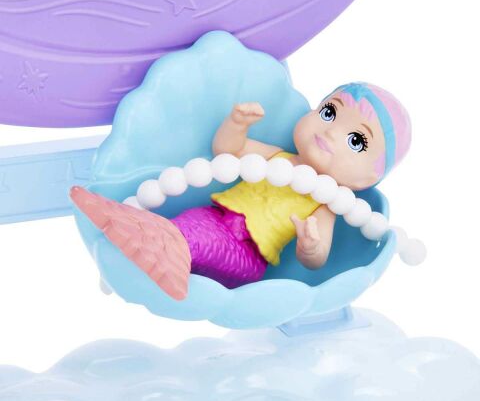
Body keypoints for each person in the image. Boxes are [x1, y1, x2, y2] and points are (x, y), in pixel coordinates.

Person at [71, 82, 411, 300]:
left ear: (368, 178)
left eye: (356, 141)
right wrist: (237, 125)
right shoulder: (279, 158)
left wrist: (310, 245)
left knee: (192, 238)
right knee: (188, 226)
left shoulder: (326, 201)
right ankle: (138, 241)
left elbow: (316, 259)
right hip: (214, 218)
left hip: (247, 256)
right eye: (329, 112)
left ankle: (150, 246)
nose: (331, 132)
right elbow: (228, 151)